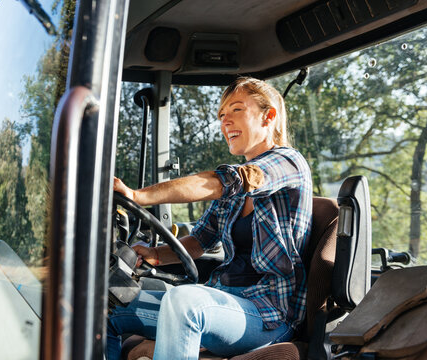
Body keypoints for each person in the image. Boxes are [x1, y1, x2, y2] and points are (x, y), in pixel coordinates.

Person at [108, 77, 312, 360]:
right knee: (107, 305)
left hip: (267, 314)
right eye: (221, 116)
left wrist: (138, 195)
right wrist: (155, 254)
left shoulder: (288, 163)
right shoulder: (236, 190)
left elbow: (225, 181)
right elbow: (200, 240)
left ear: (269, 116)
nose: (225, 121)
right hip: (222, 299)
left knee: (185, 301)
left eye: (237, 110)